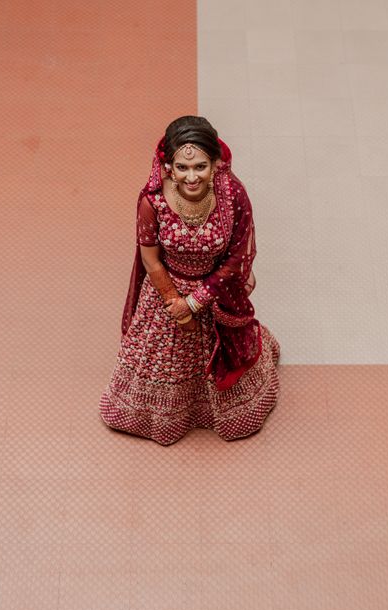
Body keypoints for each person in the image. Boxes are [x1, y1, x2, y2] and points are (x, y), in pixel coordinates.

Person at [99, 116, 281, 446]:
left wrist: (196, 301)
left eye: (200, 166)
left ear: (215, 164)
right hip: (166, 294)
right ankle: (166, 416)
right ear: (168, 166)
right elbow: (151, 260)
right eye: (182, 168)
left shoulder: (232, 196)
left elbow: (238, 256)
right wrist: (177, 305)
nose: (192, 176)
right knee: (167, 359)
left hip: (217, 294)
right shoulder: (152, 201)